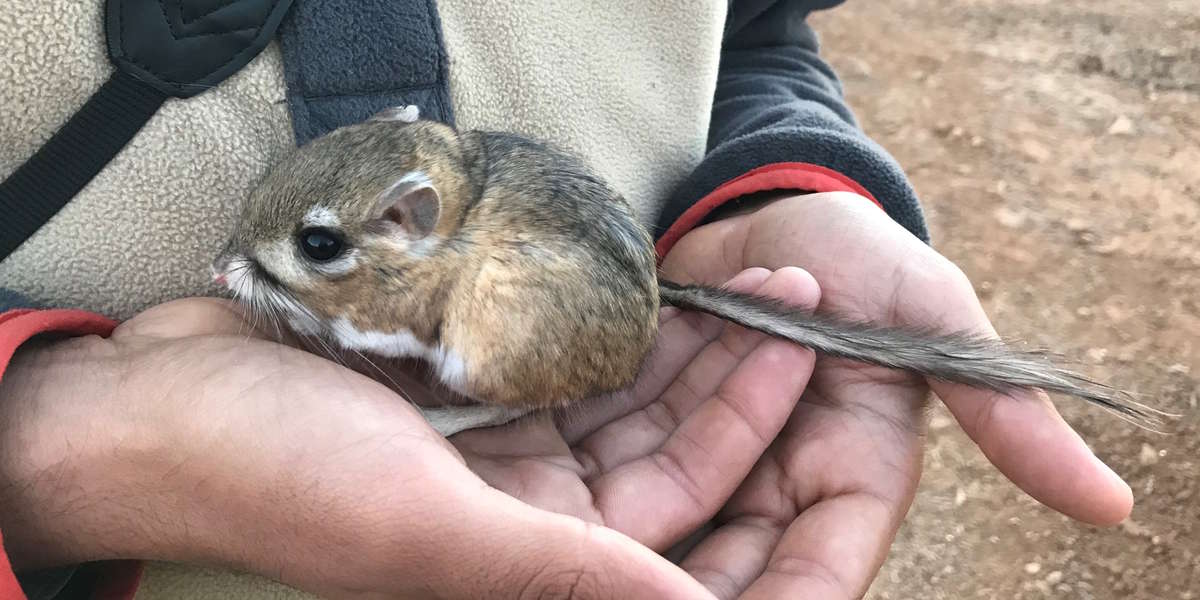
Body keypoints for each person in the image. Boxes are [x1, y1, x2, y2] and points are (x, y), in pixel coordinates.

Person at [0, 1, 1133, 598]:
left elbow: (752, 37)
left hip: (603, 413)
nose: (245, 278)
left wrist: (766, 176)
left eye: (314, 250)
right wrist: (52, 452)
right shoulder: (401, 218)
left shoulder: (421, 251)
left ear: (407, 220)